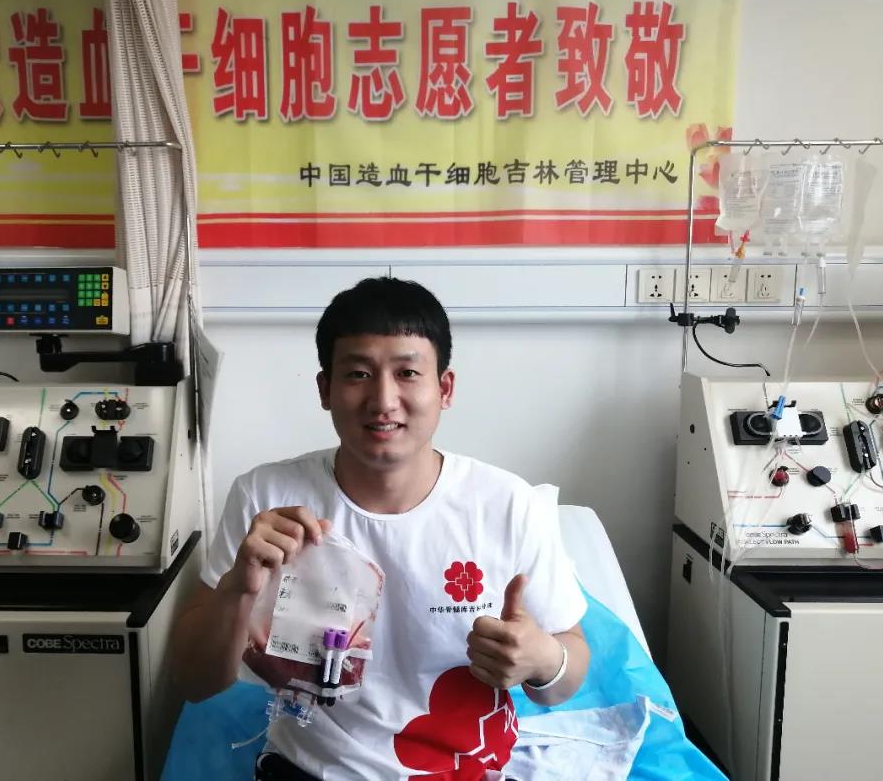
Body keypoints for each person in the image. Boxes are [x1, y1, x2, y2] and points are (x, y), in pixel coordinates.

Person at [171, 277, 589, 780]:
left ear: (445, 389)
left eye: (407, 373)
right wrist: (239, 587)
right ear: (325, 390)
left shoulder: (507, 506)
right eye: (358, 374)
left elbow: (567, 673)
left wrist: (542, 659)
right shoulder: (268, 499)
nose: (383, 399)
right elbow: (195, 682)